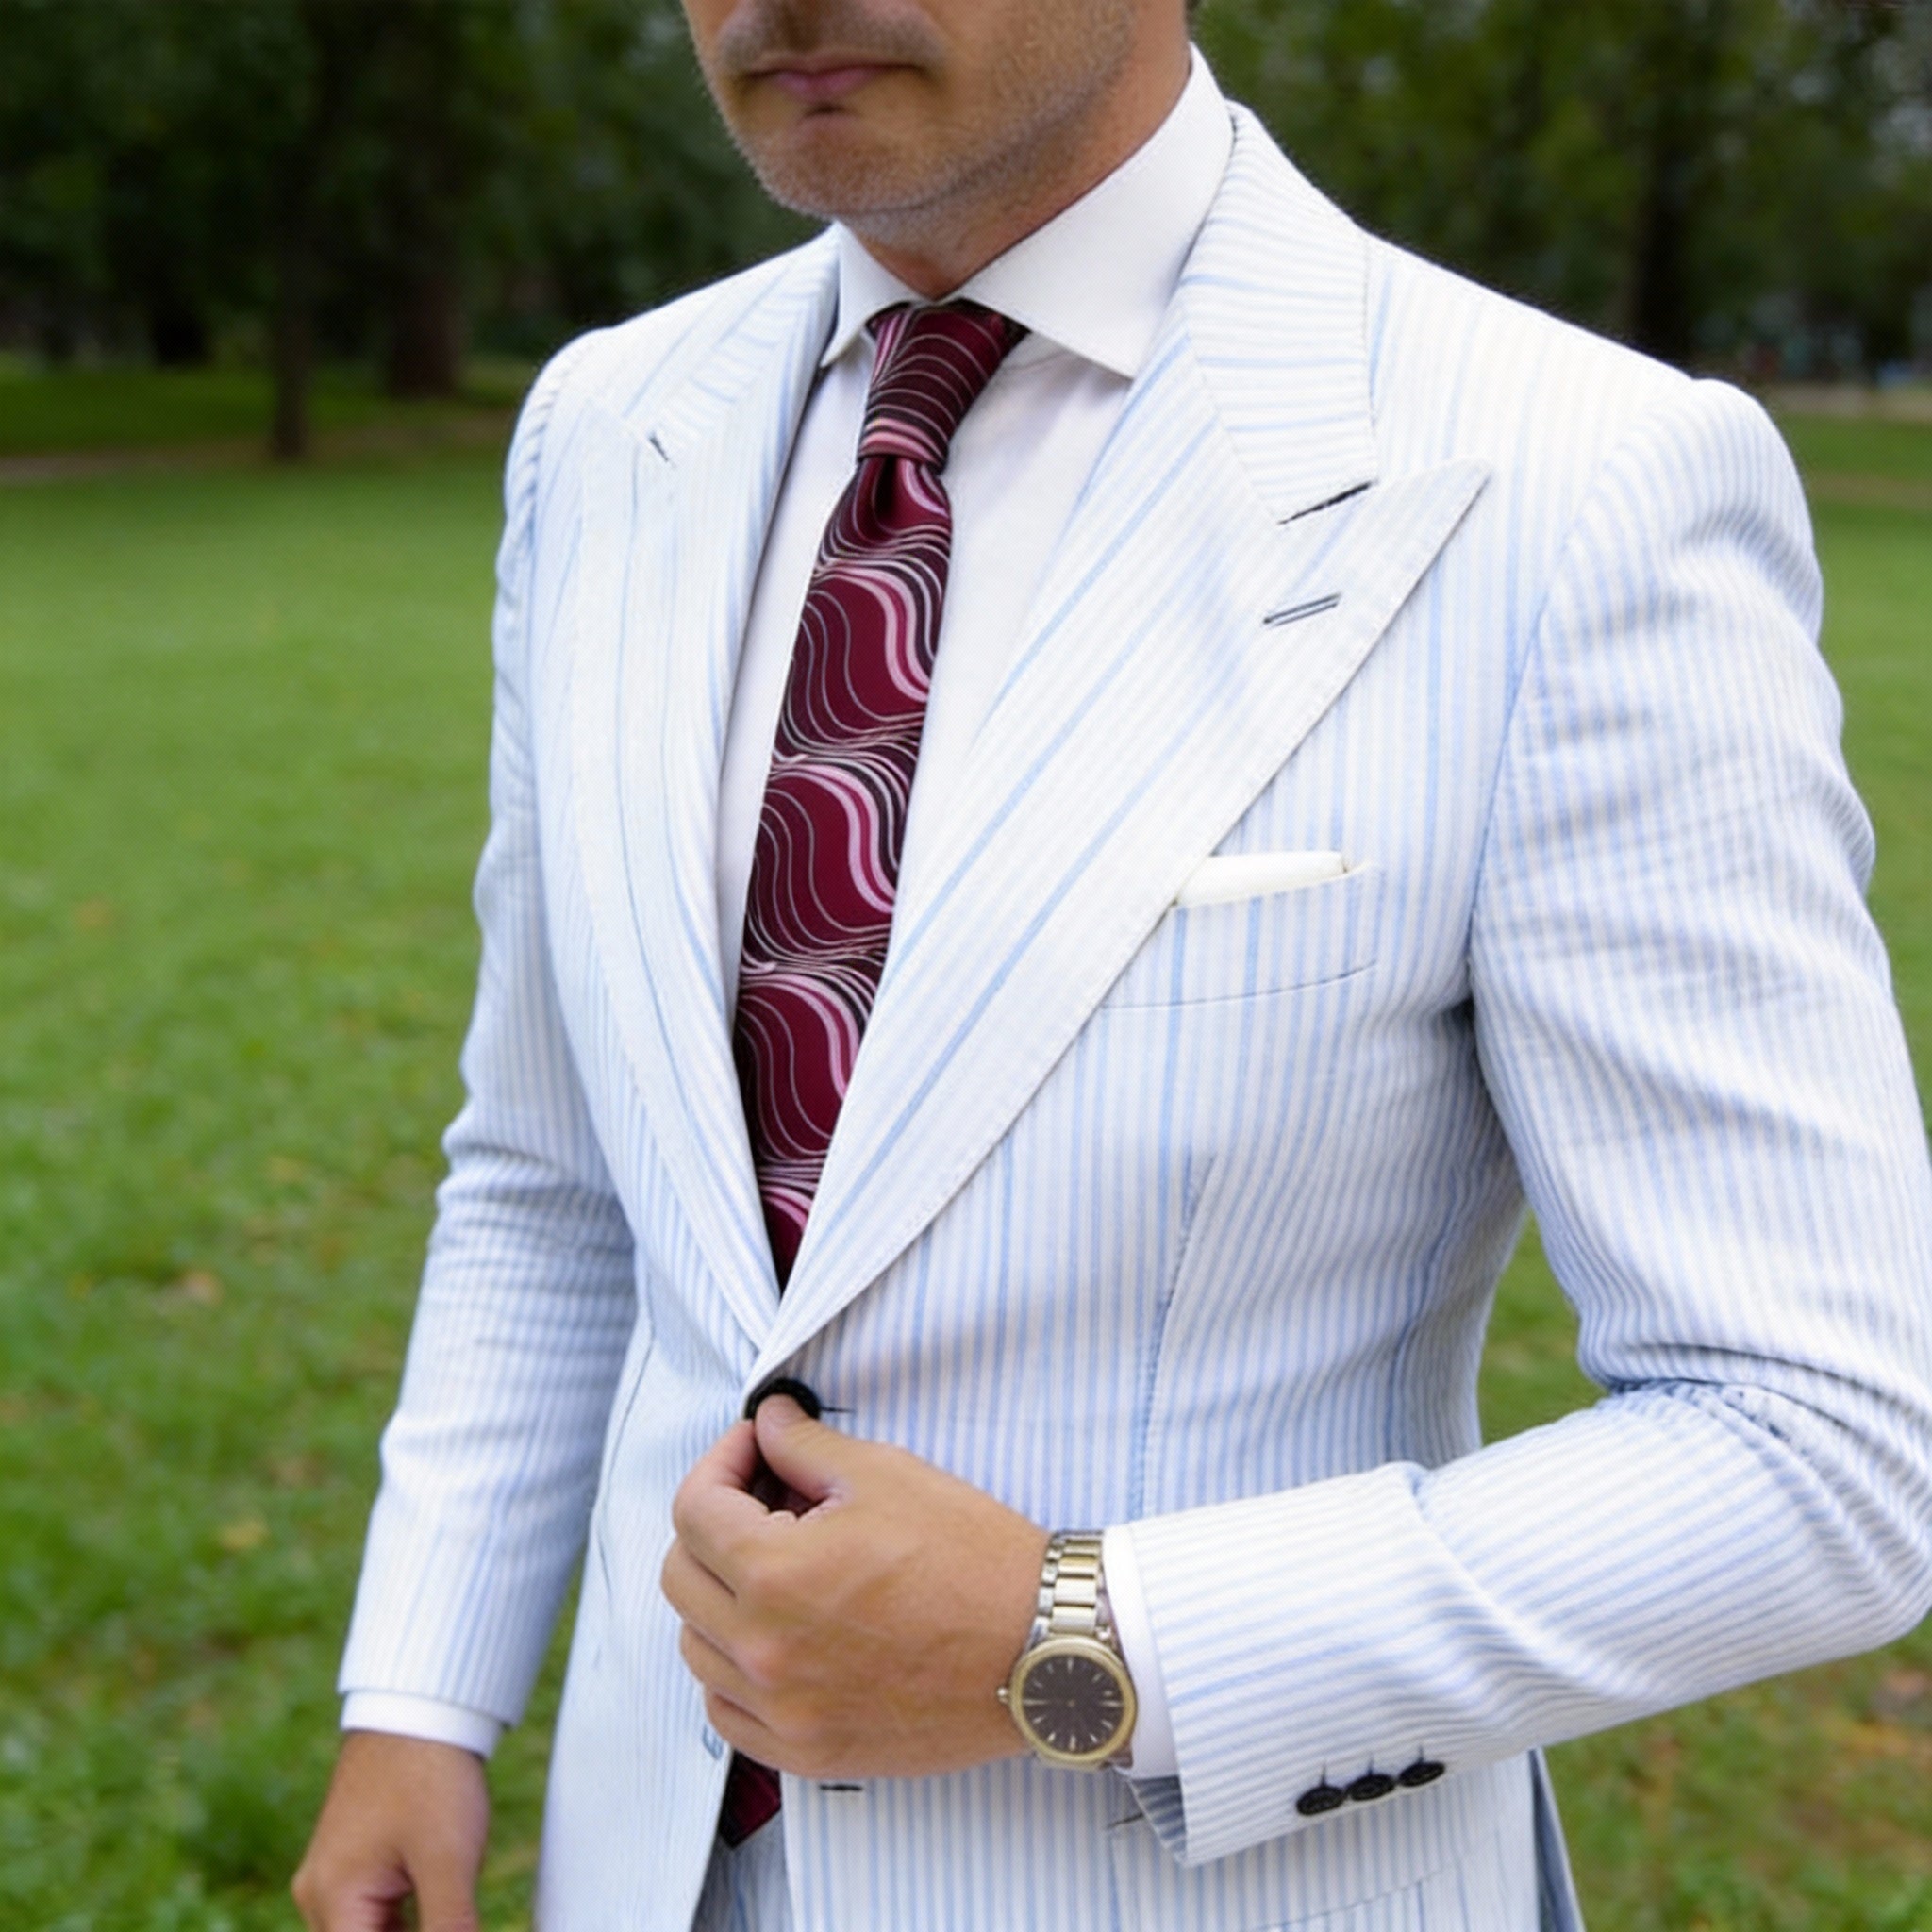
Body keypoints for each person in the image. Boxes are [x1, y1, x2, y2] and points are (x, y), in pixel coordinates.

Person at [292, 0, 1932, 1926]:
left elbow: (1823, 1444)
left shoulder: (1569, 478)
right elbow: (555, 1176)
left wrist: (1075, 1638)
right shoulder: (605, 426)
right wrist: (422, 1690)